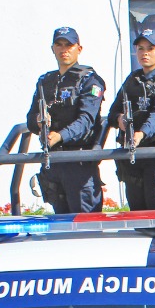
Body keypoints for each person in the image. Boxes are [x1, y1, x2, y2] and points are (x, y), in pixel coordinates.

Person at [25, 27, 107, 213]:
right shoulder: (45, 81)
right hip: (52, 161)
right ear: (52, 48)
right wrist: (38, 121)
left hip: (79, 162)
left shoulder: (90, 80)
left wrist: (60, 136)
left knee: (86, 229)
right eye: (59, 45)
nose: (64, 50)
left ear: (79, 49)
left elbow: (86, 120)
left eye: (69, 45)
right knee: (59, 228)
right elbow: (30, 118)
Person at [106, 29, 155, 211]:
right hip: (133, 159)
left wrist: (141, 133)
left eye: (150, 48)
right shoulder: (132, 80)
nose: (145, 53)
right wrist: (119, 119)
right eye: (141, 48)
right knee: (138, 220)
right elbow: (112, 112)